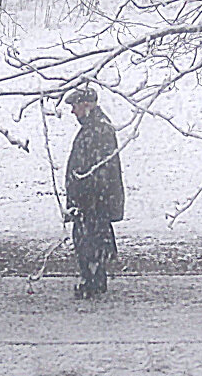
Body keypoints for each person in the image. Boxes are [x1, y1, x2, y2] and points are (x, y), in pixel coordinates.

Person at [64, 86, 124, 299]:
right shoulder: (95, 128)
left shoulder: (99, 129)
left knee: (90, 241)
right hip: (90, 202)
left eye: (75, 106)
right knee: (88, 241)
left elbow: (101, 170)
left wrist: (85, 200)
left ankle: (93, 282)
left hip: (93, 203)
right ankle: (93, 281)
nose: (73, 112)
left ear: (86, 105)